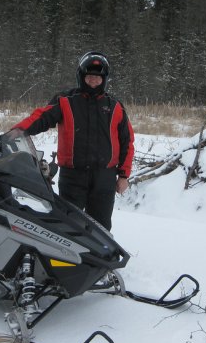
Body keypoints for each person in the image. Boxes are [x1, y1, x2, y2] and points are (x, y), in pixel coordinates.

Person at [11, 51, 134, 231]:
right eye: (90, 76)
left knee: (101, 228)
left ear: (104, 79)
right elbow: (41, 117)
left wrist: (124, 176)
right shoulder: (65, 100)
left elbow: (127, 142)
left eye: (98, 77)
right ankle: (67, 259)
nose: (93, 81)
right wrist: (20, 130)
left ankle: (96, 259)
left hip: (104, 177)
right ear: (81, 76)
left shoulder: (115, 106)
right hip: (73, 176)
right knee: (68, 225)